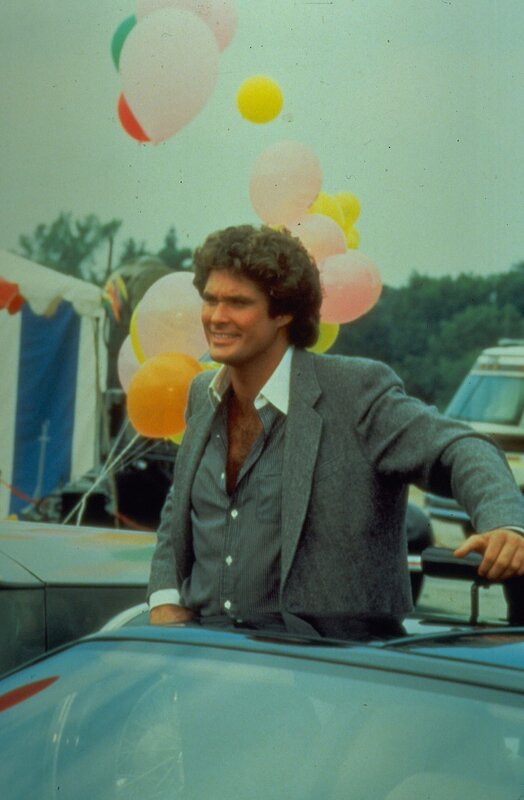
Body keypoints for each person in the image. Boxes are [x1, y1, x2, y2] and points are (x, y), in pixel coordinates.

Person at [148, 224, 524, 636]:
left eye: (238, 302)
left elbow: (461, 447)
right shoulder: (202, 394)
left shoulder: (355, 392)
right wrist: (165, 597)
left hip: (327, 663)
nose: (217, 317)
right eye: (210, 299)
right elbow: (180, 506)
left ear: (285, 312)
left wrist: (505, 525)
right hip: (206, 652)